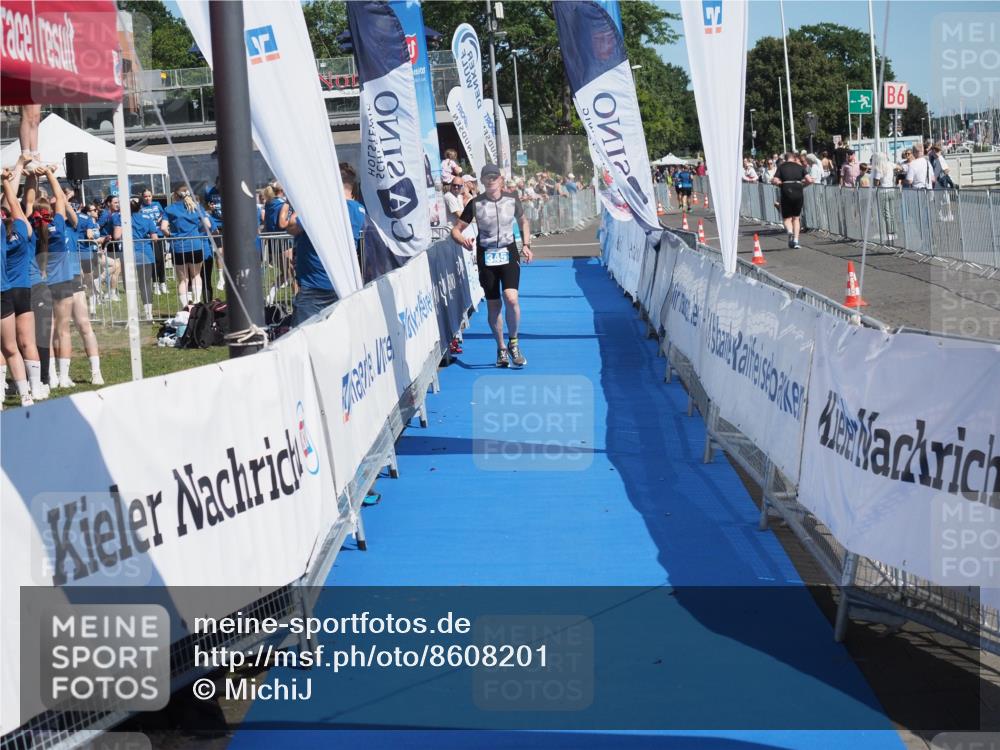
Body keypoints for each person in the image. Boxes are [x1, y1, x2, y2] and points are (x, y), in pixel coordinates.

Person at [450, 163, 533, 368]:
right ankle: (501, 348)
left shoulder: (512, 199)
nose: (491, 180)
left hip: (508, 251)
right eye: (487, 177)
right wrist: (463, 241)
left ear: (501, 179)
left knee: (511, 298)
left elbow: (523, 222)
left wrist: (527, 245)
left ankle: (514, 342)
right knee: (494, 304)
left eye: (494, 177)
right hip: (486, 255)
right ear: (482, 180)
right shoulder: (475, 203)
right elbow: (456, 230)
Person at [1, 168, 38, 405]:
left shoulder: (4, 235)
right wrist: (7, 182)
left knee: (9, 347)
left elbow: (18, 204)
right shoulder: (22, 231)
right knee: (20, 344)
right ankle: (31, 391)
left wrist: (8, 179)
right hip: (20, 288)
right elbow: (23, 205)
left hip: (6, 290)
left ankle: (10, 393)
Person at [160, 185, 211, 308]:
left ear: (176, 195)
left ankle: (185, 307)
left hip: (179, 246)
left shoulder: (169, 209)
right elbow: (208, 225)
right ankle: (197, 302)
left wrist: (171, 235)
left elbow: (162, 228)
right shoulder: (196, 207)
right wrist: (198, 231)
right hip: (196, 245)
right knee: (196, 275)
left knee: (183, 280)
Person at [286, 211, 337, 327]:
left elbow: (290, 226)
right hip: (336, 285)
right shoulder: (351, 210)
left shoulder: (313, 211)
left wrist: (297, 207)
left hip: (314, 287)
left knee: (300, 336)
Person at [771, 151, 813, 249]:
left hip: (786, 190)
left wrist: (778, 184)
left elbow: (775, 180)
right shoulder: (800, 167)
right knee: (796, 217)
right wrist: (803, 185)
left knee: (787, 217)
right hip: (798, 190)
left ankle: (790, 231)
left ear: (785, 159)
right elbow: (809, 180)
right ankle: (796, 241)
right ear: (794, 158)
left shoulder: (781, 167)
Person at [130, 198, 158, 320]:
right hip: (146, 253)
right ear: (140, 207)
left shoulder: (125, 219)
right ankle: (148, 313)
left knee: (132, 285)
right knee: (146, 283)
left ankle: (134, 312)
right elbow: (155, 237)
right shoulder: (147, 219)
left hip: (130, 254)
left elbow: (117, 235)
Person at [138, 190, 167, 295]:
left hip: (159, 234)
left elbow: (164, 214)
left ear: (152, 196)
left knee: (161, 259)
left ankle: (162, 282)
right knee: (155, 259)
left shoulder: (157, 204)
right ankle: (155, 284)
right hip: (150, 236)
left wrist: (161, 219)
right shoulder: (141, 207)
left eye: (149, 196)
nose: (147, 198)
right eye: (145, 196)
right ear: (142, 197)